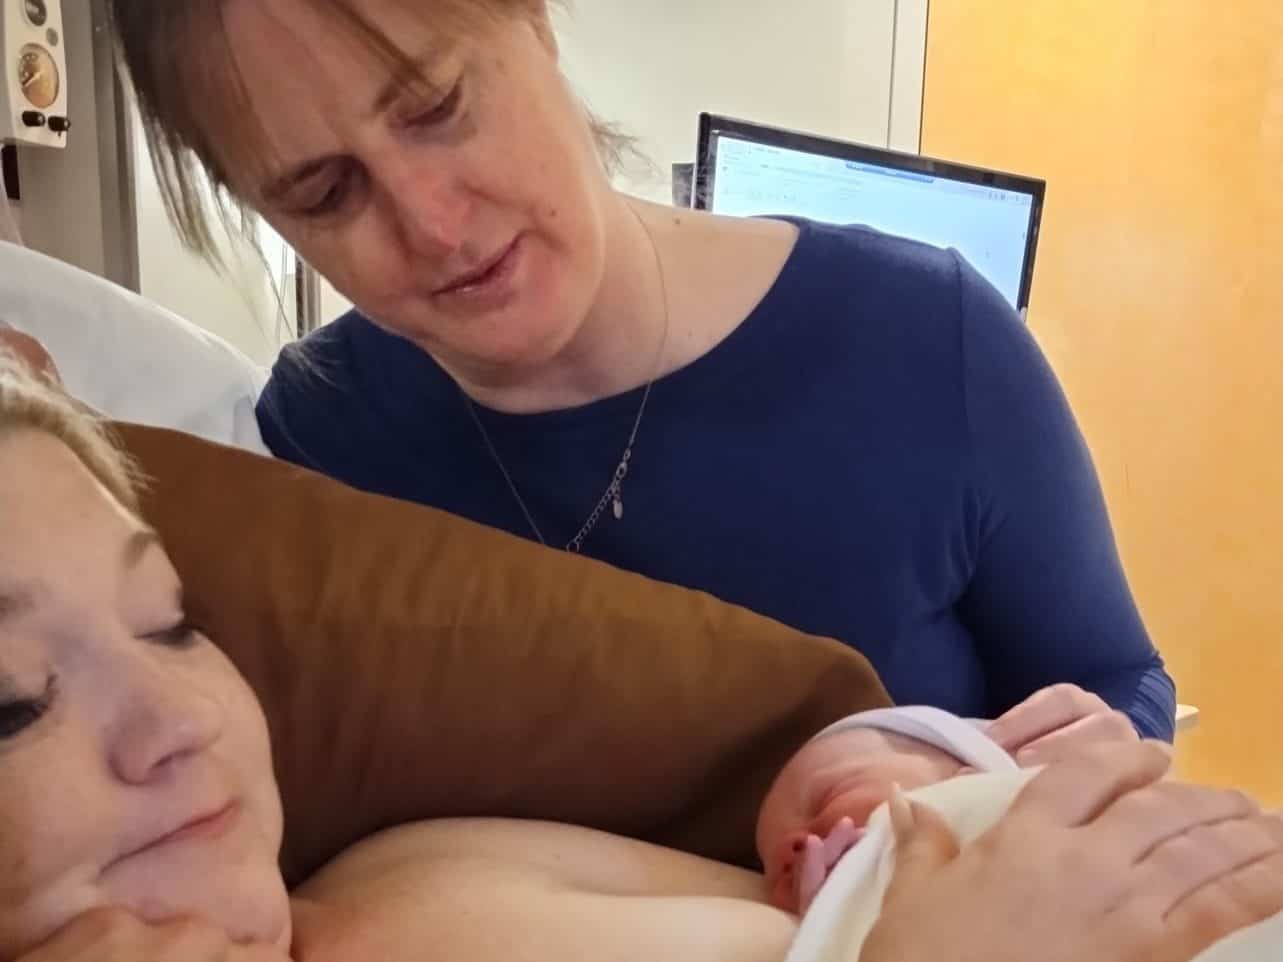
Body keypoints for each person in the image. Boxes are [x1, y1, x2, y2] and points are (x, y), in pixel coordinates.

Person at [109, 0, 1175, 752]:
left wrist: (1079, 747)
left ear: (530, 17)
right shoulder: (323, 435)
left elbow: (1122, 682)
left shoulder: (926, 340)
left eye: (436, 106)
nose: (433, 226)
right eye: (325, 193)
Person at [3, 350, 1283, 962]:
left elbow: (779, 835)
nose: (174, 711)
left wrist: (876, 771)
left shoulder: (411, 865)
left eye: (172, 617)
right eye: (11, 704)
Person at [753, 706, 1283, 961]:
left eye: (825, 797)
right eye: (768, 863)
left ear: (969, 771)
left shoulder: (997, 805)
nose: (795, 844)